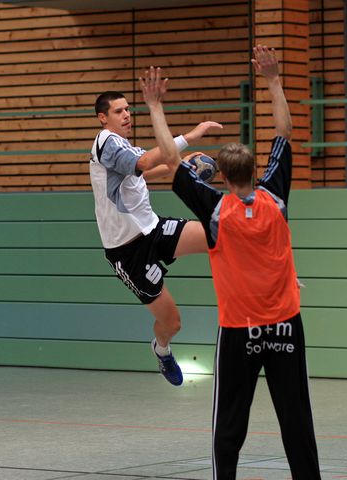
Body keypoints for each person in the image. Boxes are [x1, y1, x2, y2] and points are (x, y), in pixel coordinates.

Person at [139, 45, 321, 479]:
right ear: (257, 171)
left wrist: (155, 106)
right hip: (285, 326)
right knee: (296, 421)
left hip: (241, 331)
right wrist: (274, 80)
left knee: (229, 426)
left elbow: (171, 160)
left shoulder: (217, 210)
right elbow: (285, 132)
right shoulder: (276, 198)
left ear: (220, 175)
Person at [89, 90, 222, 387]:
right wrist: (191, 136)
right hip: (128, 252)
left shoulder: (124, 146)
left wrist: (182, 164)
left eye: (127, 109)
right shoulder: (106, 142)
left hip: (154, 229)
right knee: (172, 323)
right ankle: (162, 350)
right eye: (118, 111)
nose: (126, 115)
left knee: (220, 234)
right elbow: (147, 162)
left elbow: (147, 172)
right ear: (102, 118)